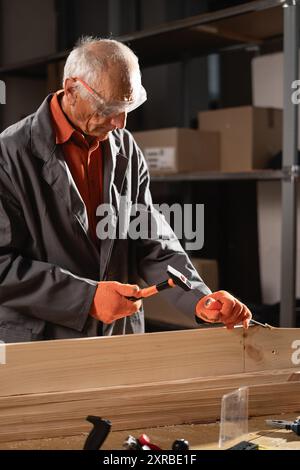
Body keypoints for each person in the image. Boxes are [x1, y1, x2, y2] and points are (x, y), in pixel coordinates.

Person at [0, 37, 251, 342]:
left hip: (118, 335)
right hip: (43, 341)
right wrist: (86, 297)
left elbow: (149, 237)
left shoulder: (125, 147)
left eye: (127, 106)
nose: (120, 123)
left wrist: (198, 299)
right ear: (71, 90)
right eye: (109, 108)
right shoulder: (9, 155)